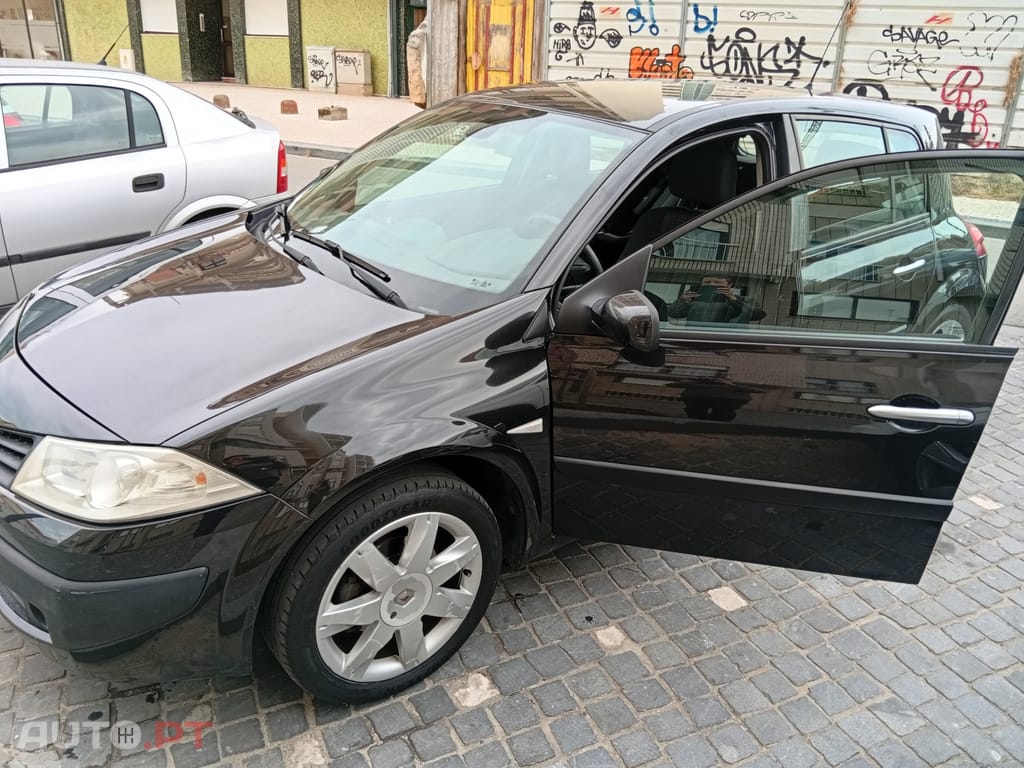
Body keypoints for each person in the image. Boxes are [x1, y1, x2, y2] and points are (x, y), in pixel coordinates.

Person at [666, 274, 766, 324]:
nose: (712, 285)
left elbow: (758, 315)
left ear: (730, 285)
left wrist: (733, 299)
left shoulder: (745, 300)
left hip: (728, 340)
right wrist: (683, 301)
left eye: (717, 282)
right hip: (695, 337)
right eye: (707, 282)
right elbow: (673, 314)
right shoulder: (694, 298)